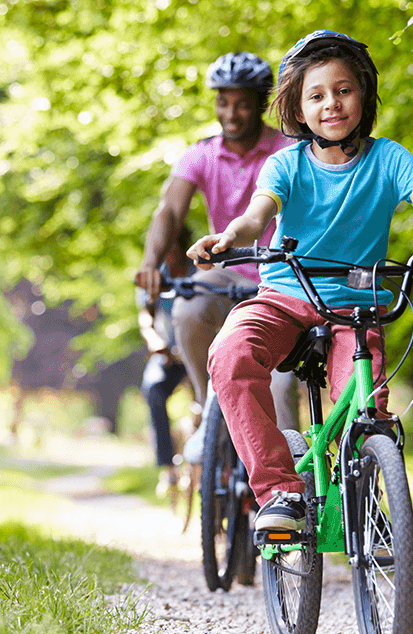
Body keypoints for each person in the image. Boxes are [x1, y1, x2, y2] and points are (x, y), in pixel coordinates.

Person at [190, 30, 413, 532]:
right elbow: (254, 217)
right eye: (316, 95)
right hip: (285, 298)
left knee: (366, 408)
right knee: (230, 355)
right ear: (298, 108)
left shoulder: (388, 159)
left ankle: (368, 496)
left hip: (356, 310)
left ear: (364, 94)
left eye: (344, 90)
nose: (332, 103)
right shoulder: (285, 164)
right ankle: (280, 494)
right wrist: (228, 237)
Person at [133, 52, 299, 465]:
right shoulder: (201, 154)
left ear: (260, 104)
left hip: (279, 273)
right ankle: (211, 410)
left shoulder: (286, 149)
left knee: (281, 394)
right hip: (224, 270)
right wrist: (152, 262)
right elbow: (169, 211)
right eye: (223, 102)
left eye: (242, 103)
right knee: (188, 309)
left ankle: (297, 496)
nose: (231, 112)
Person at [138, 223, 195, 502]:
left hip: (199, 351)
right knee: (153, 391)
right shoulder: (156, 274)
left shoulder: (201, 269)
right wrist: (154, 340)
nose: (169, 255)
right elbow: (145, 316)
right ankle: (167, 468)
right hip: (169, 355)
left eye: (173, 248)